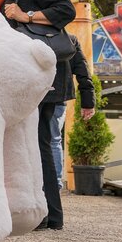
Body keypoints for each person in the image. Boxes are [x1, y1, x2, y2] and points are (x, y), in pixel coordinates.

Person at [0, 0, 75, 231]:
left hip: (43, 72)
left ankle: (48, 214)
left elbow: (65, 10)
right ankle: (44, 212)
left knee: (38, 142)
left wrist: (25, 15)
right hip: (27, 72)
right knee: (31, 142)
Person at [50, 34, 95, 190]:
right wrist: (88, 102)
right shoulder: (70, 39)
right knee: (53, 140)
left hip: (34, 96)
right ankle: (54, 185)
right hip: (59, 95)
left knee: (33, 140)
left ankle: (38, 184)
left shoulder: (28, 33)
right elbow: (83, 71)